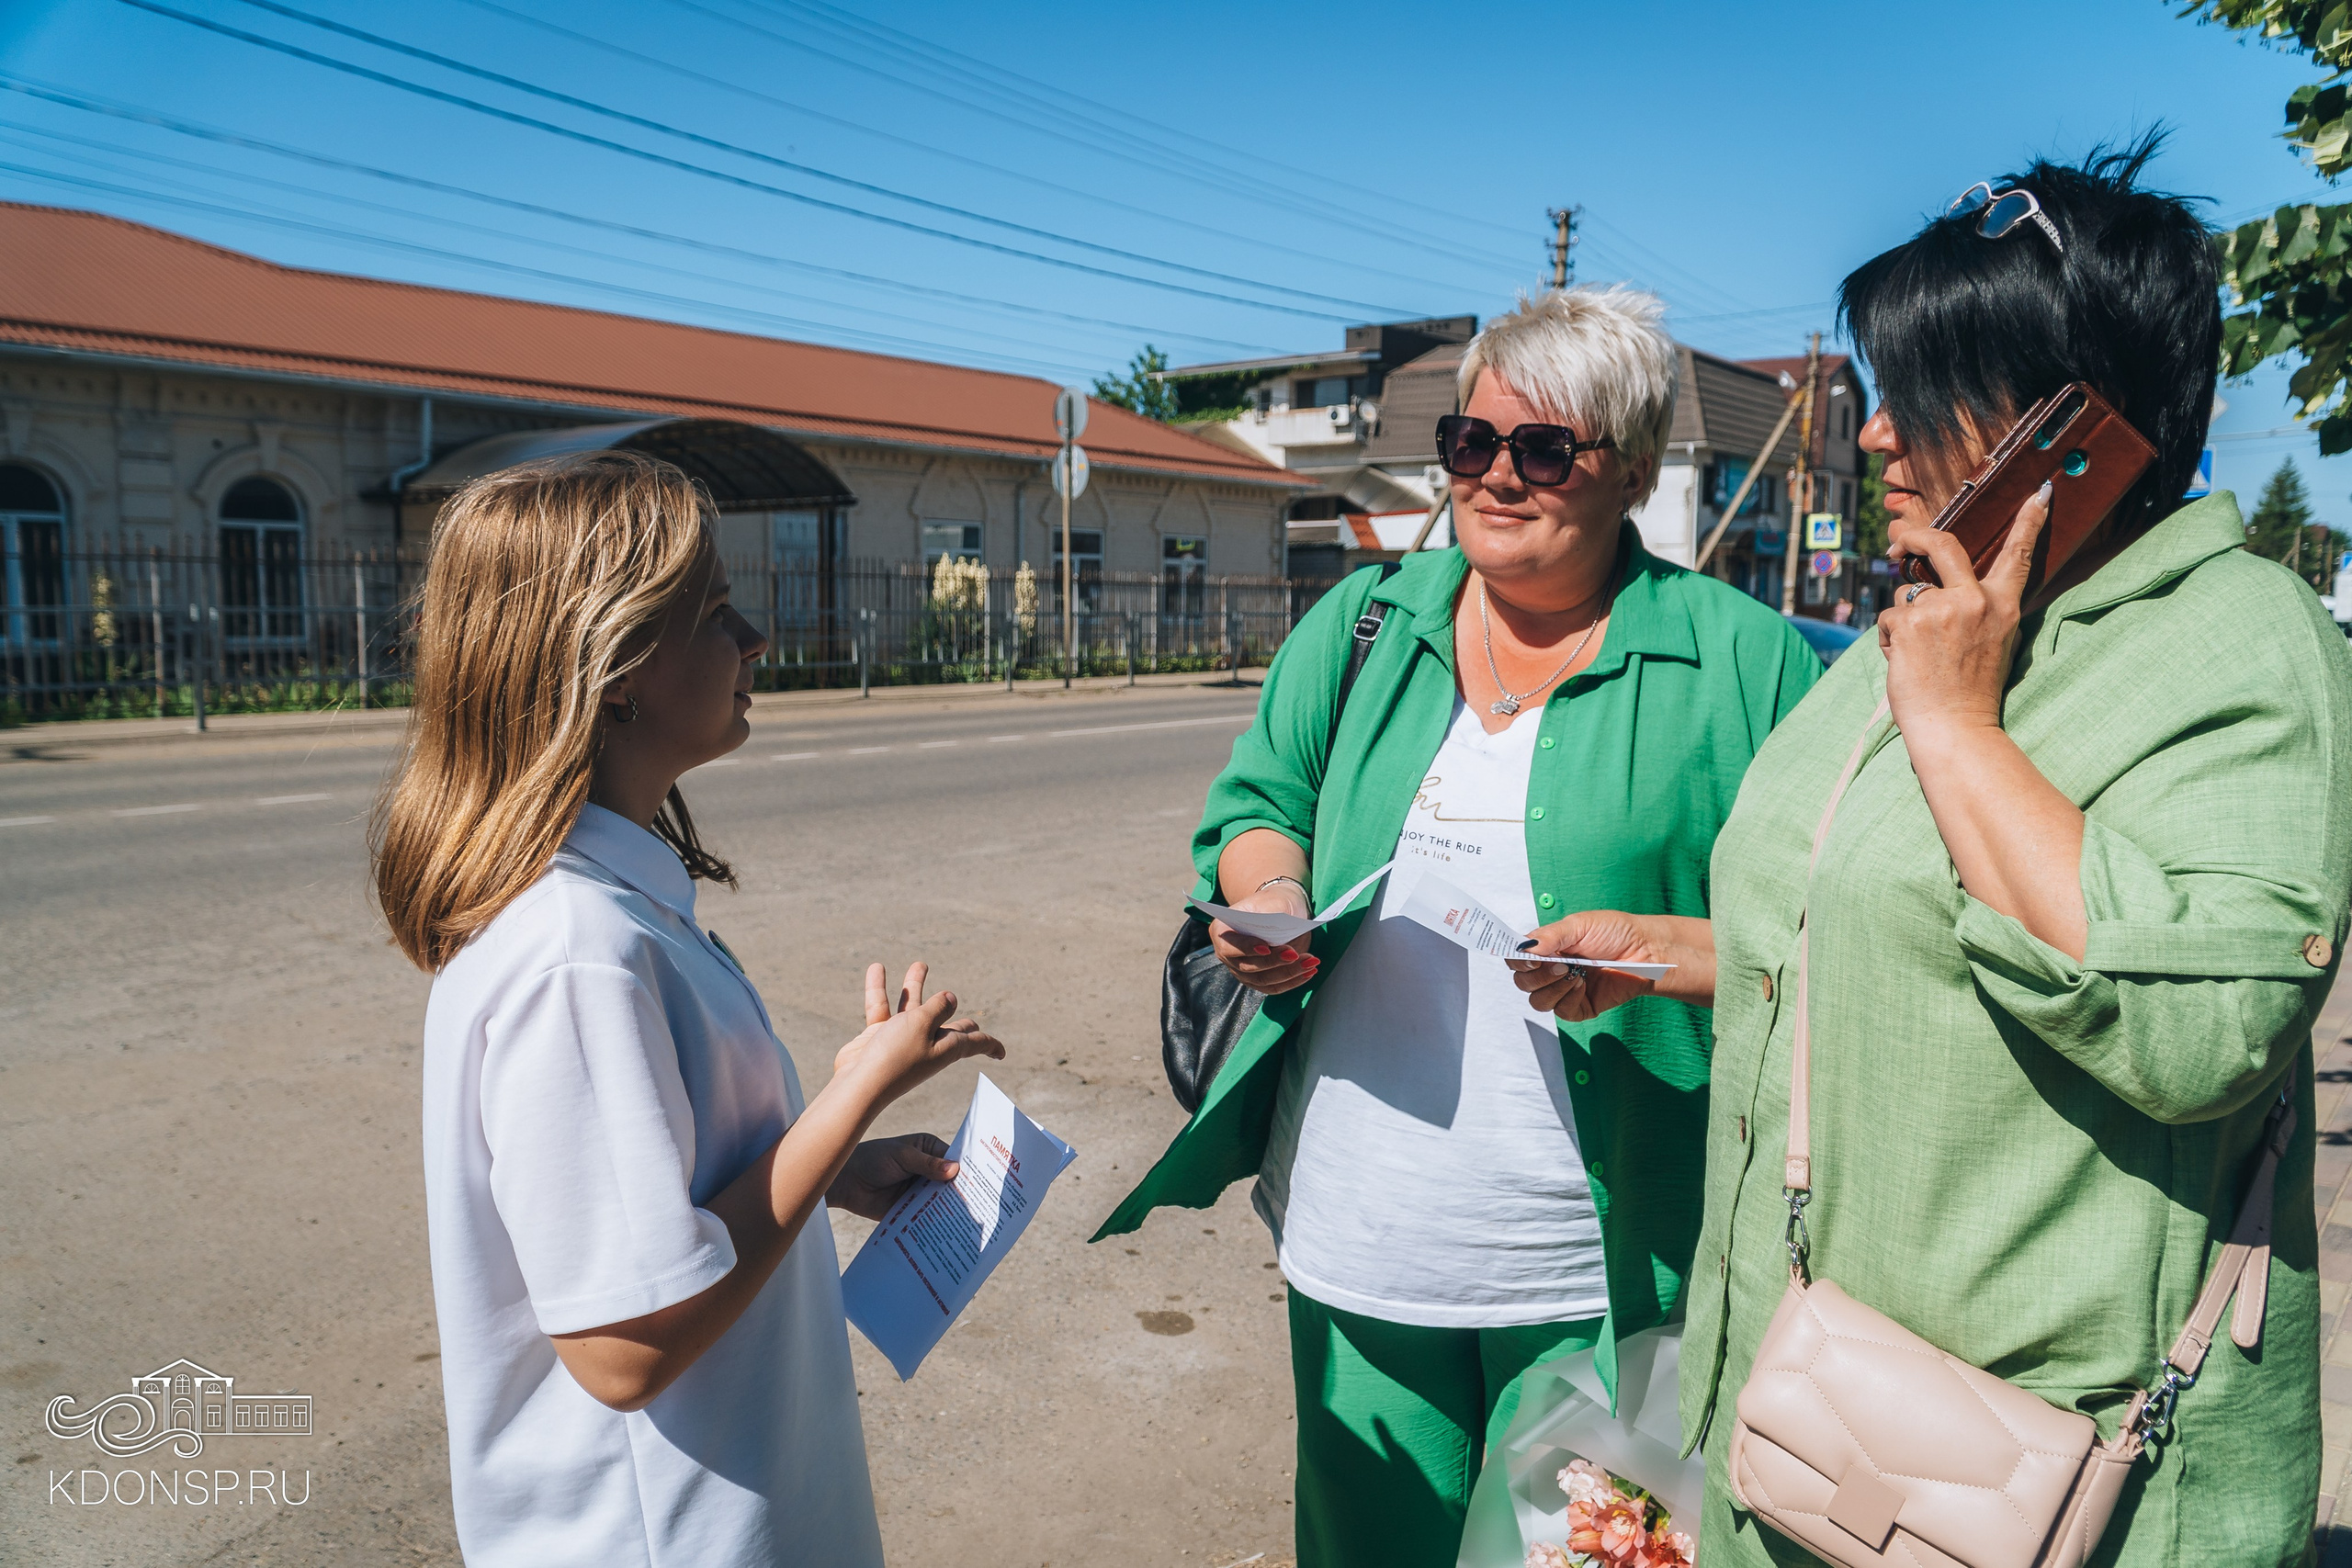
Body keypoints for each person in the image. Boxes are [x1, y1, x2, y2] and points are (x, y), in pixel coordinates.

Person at [1515, 143, 2351, 1565]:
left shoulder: (2242, 640)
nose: (1880, 438)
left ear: (2069, 428)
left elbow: (2207, 1025)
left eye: (1920, 396)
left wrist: (1962, 726)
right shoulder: (1931, 612)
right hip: (1807, 1416)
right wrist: (1668, 956)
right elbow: (1890, 931)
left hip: (2042, 1479)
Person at [1094, 286, 1824, 1567]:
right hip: (1364, 1242)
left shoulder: (1745, 662)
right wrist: (1267, 903)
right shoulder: (1368, 623)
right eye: (1471, 443)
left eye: (1543, 450)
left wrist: (1663, 954)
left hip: (1610, 1275)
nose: (1496, 475)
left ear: (1636, 469)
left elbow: (1835, 922)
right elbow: (1261, 804)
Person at [372, 450, 1004, 1568]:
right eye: (715, 611)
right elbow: (626, 1345)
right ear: (612, 668)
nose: (753, 638)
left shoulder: (603, 906)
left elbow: (650, 1201)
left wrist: (833, 1167)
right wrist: (855, 1089)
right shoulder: (577, 953)